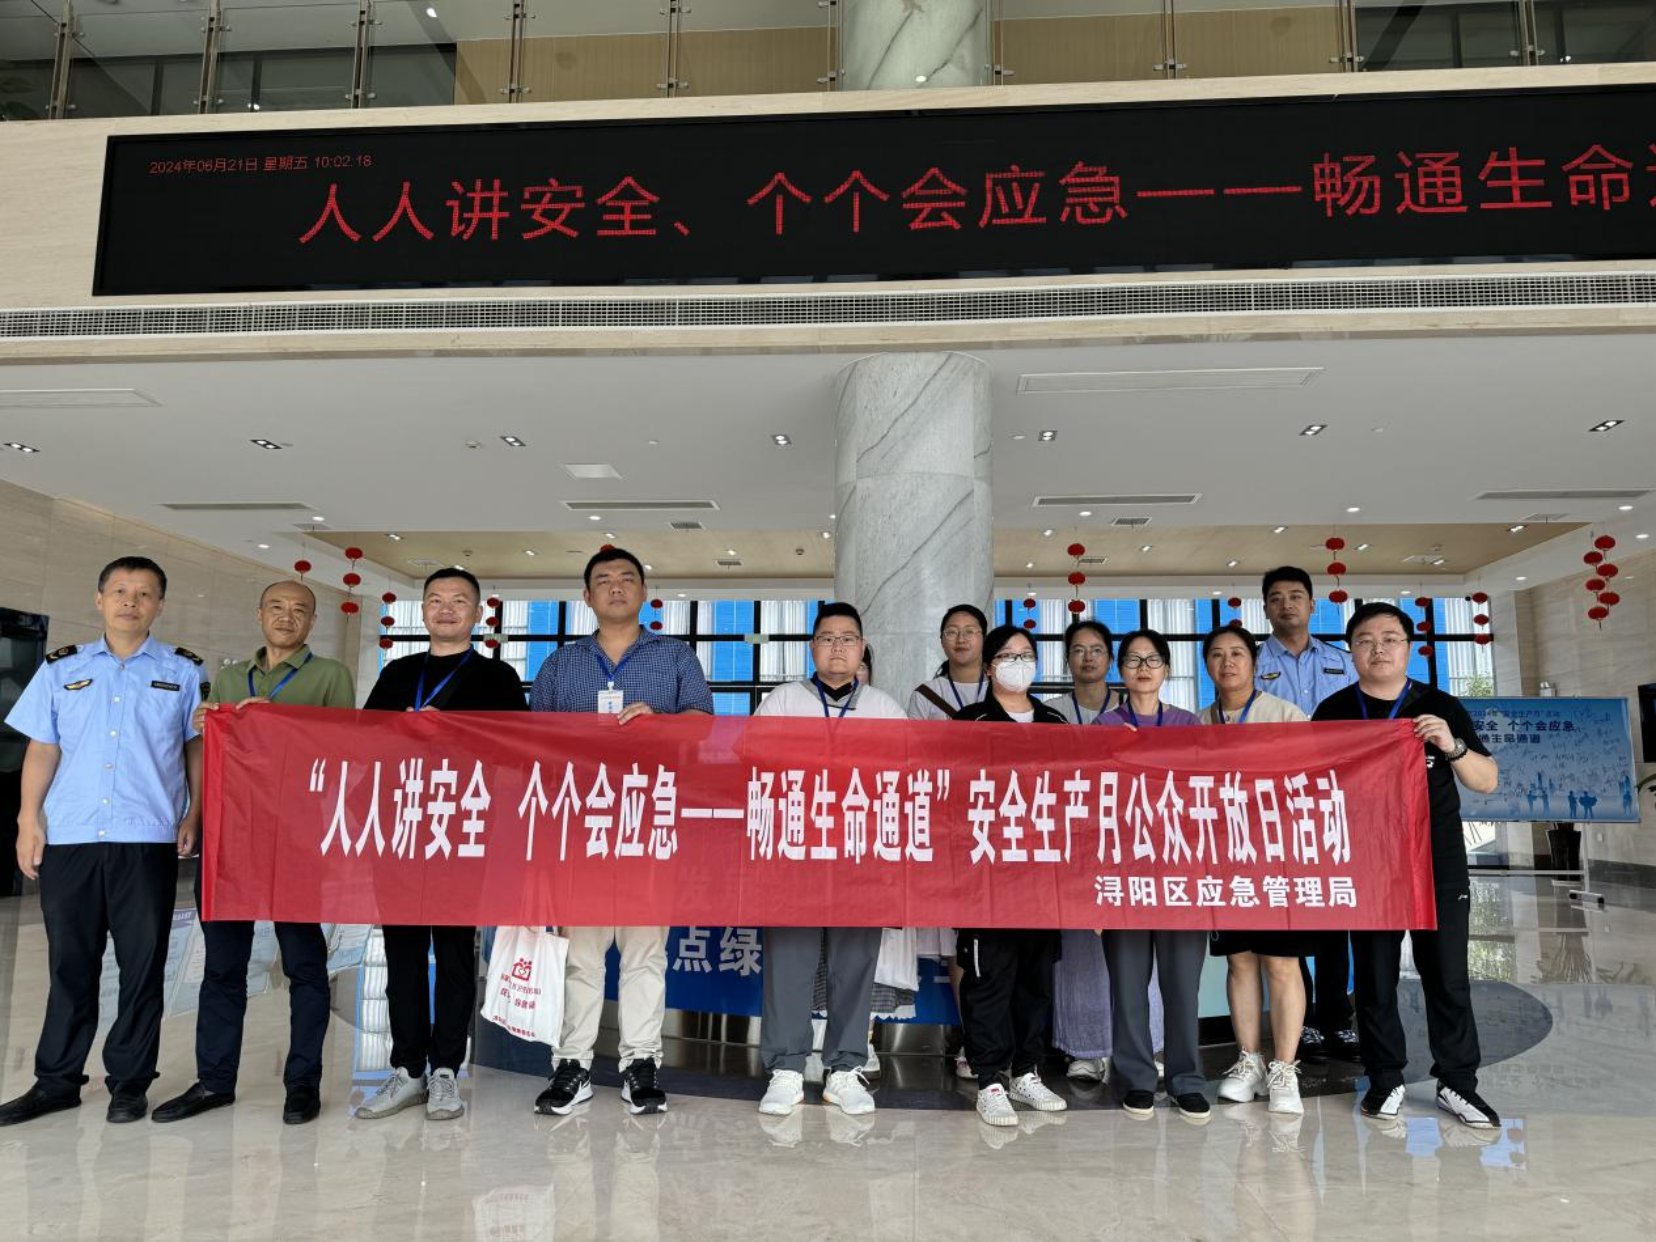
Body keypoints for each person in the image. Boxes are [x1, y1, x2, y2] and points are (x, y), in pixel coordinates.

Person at [0, 557, 204, 1127]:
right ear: (99, 600)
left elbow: (195, 747)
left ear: (159, 605)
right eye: (119, 591)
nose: (130, 602)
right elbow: (43, 748)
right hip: (71, 837)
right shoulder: (61, 668)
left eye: (143, 593)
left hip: (146, 837)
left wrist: (195, 810)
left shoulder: (184, 671)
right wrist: (28, 819)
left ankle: (130, 1083)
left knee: (142, 966)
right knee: (70, 963)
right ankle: (56, 1081)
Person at [152, 580, 355, 1127]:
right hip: (231, 838)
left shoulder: (330, 676)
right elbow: (212, 757)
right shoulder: (229, 676)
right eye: (277, 607)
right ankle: (214, 1081)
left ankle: (303, 1084)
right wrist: (205, 736)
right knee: (223, 966)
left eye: (299, 610)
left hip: (296, 841)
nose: (287, 617)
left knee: (305, 966)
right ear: (259, 614)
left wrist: (281, 723)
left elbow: (344, 752)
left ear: (312, 622)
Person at [530, 548, 713, 1117]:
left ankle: (641, 1064)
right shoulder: (561, 663)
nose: (616, 587)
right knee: (581, 955)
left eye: (627, 578)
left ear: (644, 593)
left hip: (648, 822)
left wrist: (664, 725)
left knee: (644, 952)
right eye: (603, 580)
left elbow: (703, 727)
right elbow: (532, 742)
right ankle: (573, 1064)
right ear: (586, 596)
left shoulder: (675, 656)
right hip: (581, 824)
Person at [1313, 602, 1501, 1129]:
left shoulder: (1439, 706)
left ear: (1409, 648)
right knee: (1375, 980)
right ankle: (1385, 1079)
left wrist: (1451, 744)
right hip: (1369, 862)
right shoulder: (1334, 712)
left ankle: (1458, 1084)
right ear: (1351, 651)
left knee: (1447, 976)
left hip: (1436, 860)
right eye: (1366, 640)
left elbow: (1486, 780)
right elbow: (1310, 786)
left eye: (1390, 639)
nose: (1379, 649)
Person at [357, 568, 527, 1123]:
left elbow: (519, 750)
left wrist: (452, 733)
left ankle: (447, 1070)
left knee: (454, 956)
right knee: (402, 953)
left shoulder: (497, 677)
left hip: (462, 831)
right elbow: (359, 743)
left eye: (458, 601)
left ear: (476, 613)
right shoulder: (398, 673)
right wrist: (399, 731)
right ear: (424, 611)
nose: (446, 609)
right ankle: (408, 1069)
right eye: (435, 600)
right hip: (401, 829)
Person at [752, 603, 907, 1120]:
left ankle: (844, 1069)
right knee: (789, 963)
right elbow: (752, 762)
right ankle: (787, 1068)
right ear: (811, 647)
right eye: (827, 638)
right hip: (795, 850)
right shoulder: (783, 700)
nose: (838, 647)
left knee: (854, 964)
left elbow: (905, 777)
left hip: (860, 853)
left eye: (848, 638)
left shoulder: (885, 708)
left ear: (862, 648)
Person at [954, 624, 1069, 1127]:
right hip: (987, 876)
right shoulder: (969, 721)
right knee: (989, 980)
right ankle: (990, 1079)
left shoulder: (1055, 722)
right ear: (989, 666)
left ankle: (1026, 1070)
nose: (1018, 663)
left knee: (1035, 982)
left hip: (1043, 875)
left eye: (1026, 655)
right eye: (1007, 655)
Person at [1198, 623, 1312, 1116]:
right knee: (1239, 962)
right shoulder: (1198, 723)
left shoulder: (1286, 716)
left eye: (1237, 654)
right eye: (1217, 655)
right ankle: (1249, 1060)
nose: (1227, 663)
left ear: (1254, 662)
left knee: (1281, 964)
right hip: (1223, 860)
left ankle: (1284, 1067)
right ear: (1206, 664)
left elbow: (1310, 783)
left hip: (1277, 859)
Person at [1098, 628, 1210, 1122]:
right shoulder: (1104, 725)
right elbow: (1092, 803)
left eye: (1152, 660)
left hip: (1181, 872)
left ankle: (1186, 1080)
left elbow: (1204, 794)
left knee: (1182, 986)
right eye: (1133, 660)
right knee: (1128, 986)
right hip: (1124, 872)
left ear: (1166, 669)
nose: (1143, 668)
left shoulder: (1187, 723)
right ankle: (1138, 1078)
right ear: (1120, 670)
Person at [1255, 566, 1361, 1064]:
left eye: (1296, 596)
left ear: (1313, 605)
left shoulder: (1343, 661)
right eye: (1276, 598)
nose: (1287, 605)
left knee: (1334, 907)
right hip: (1276, 806)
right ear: (1265, 608)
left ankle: (1337, 1017)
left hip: (1334, 801)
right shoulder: (1251, 662)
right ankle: (1305, 1024)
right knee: (1291, 910)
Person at [906, 604, 990, 721]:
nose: (961, 639)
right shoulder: (925, 695)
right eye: (952, 632)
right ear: (942, 641)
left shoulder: (1002, 691)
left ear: (984, 639)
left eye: (969, 631)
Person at [1048, 618, 1120, 724]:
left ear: (1110, 659)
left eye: (1097, 650)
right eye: (1079, 651)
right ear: (1068, 659)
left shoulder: (1130, 707)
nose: (1088, 658)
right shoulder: (1051, 711)